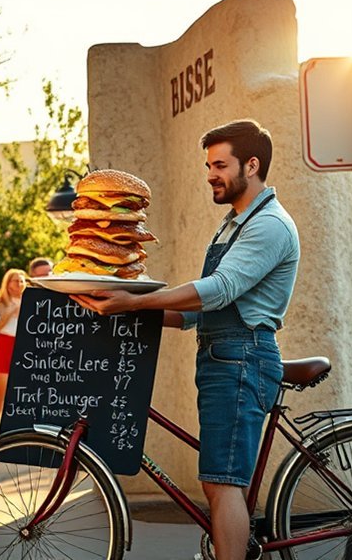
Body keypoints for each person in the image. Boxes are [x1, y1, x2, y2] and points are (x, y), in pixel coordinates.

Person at [71, 120, 299, 560]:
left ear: (252, 165)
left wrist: (135, 303)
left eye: (219, 164)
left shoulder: (268, 225)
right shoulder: (233, 225)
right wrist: (126, 311)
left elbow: (219, 289)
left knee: (222, 481)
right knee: (218, 478)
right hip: (222, 356)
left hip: (242, 358)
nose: (210, 174)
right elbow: (197, 311)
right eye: (207, 165)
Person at [0, 269, 27, 442]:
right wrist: (10, 313)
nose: (19, 284)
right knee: (2, 391)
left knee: (22, 392)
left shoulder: (30, 300)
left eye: (22, 280)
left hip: (24, 346)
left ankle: (18, 431)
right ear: (7, 284)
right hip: (4, 345)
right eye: (15, 280)